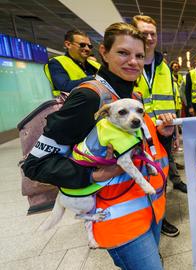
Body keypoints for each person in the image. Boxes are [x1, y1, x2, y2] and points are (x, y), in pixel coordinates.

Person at [23, 22, 174, 270]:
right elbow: (35, 165)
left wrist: (161, 135)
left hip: (150, 207)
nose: (133, 62)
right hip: (117, 219)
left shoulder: (133, 97)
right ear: (103, 52)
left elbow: (136, 146)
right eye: (123, 53)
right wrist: (93, 174)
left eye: (139, 55)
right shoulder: (89, 97)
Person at [132, 15, 184, 239]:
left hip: (163, 133)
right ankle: (145, 219)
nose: (150, 37)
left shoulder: (163, 67)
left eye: (153, 33)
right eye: (144, 33)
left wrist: (175, 132)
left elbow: (171, 100)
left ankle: (159, 217)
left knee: (159, 177)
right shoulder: (129, 64)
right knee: (139, 178)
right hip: (136, 133)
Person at [45, 30, 101, 96]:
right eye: (82, 45)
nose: (87, 48)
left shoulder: (95, 65)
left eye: (90, 46)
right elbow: (64, 86)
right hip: (73, 104)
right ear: (68, 44)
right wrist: (93, 78)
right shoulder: (56, 62)